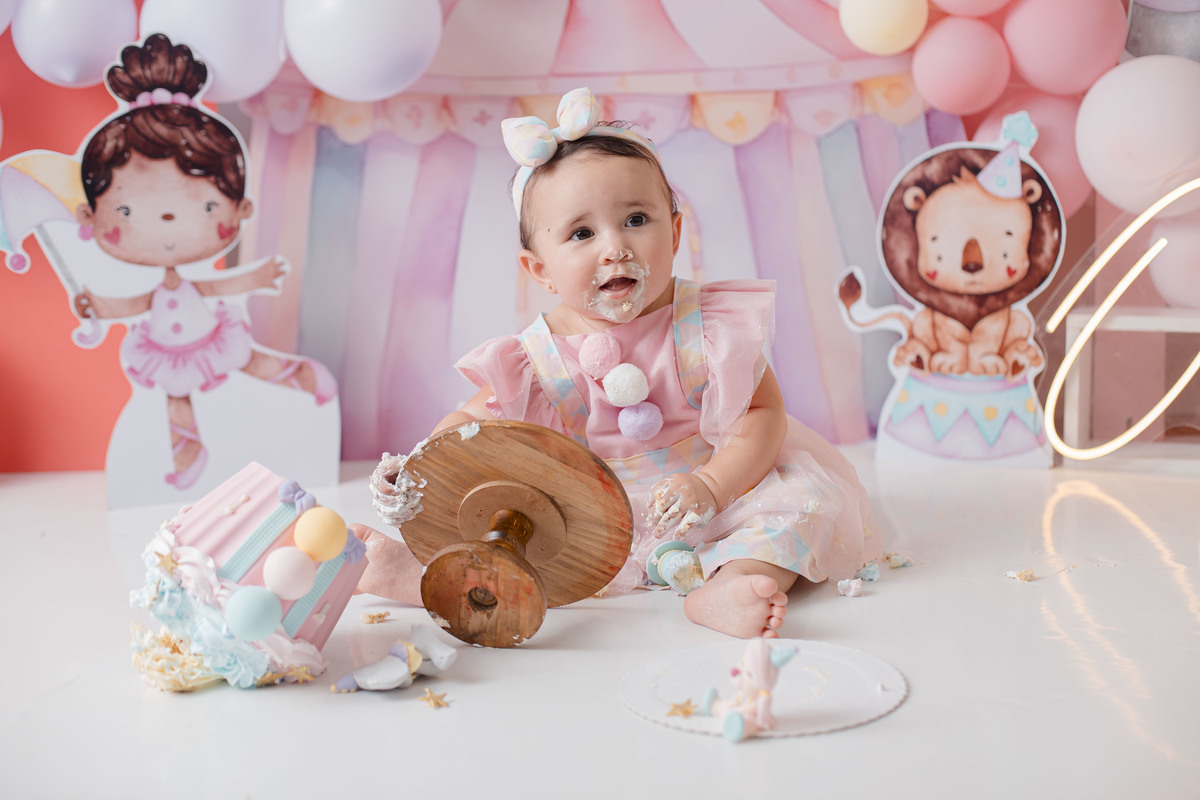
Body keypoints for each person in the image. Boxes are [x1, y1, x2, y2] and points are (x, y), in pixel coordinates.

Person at [357, 88, 880, 638]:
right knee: (519, 540)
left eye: (635, 219)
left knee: (798, 506)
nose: (615, 247)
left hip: (718, 492)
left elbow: (762, 414)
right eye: (582, 233)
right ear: (540, 271)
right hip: (595, 518)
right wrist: (421, 466)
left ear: (674, 233)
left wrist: (712, 485)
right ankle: (418, 574)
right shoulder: (537, 357)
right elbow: (472, 424)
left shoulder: (706, 326)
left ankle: (732, 581)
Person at [71, 34, 335, 490]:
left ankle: (305, 377)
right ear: (90, 217)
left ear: (240, 207)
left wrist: (258, 276)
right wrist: (97, 306)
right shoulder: (159, 288)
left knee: (248, 361)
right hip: (166, 347)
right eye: (127, 210)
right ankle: (189, 454)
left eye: (206, 206)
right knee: (176, 394)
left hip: (211, 336)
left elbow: (217, 288)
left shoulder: (195, 283)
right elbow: (136, 304)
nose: (167, 220)